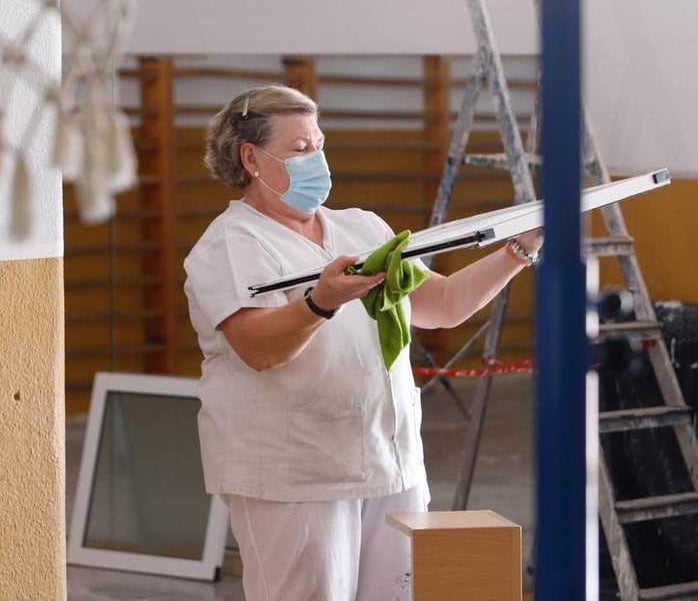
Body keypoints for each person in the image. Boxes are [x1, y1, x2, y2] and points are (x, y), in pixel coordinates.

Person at [183, 85, 542, 601]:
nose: (318, 160)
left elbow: (442, 305)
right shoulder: (231, 244)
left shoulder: (362, 226)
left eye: (320, 144)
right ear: (251, 158)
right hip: (297, 473)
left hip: (388, 460)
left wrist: (517, 249)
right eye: (300, 149)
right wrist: (320, 302)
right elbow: (260, 350)